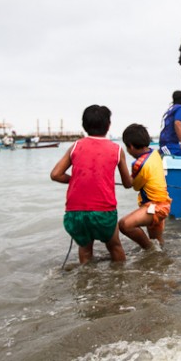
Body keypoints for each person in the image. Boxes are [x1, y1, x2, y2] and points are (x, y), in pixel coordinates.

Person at [50, 105, 133, 264]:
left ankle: (85, 283)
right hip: (103, 211)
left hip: (75, 213)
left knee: (85, 249)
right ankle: (120, 280)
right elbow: (127, 183)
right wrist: (135, 178)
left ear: (84, 126)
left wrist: (74, 179)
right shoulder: (116, 149)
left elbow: (55, 174)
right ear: (108, 125)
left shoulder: (75, 146)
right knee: (115, 246)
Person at [119, 124, 172, 248]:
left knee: (124, 225)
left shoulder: (138, 164)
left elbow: (131, 185)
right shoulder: (154, 153)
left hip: (154, 208)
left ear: (130, 147)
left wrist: (120, 161)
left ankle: (149, 249)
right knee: (158, 245)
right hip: (163, 204)